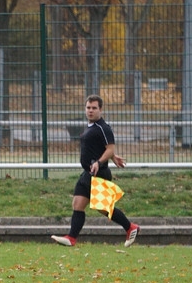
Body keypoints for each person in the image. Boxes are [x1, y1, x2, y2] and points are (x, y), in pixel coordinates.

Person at [52, 94, 140, 247]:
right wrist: (113, 157)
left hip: (99, 173)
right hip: (88, 173)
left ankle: (130, 227)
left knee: (103, 207)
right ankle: (71, 238)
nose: (90, 111)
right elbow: (103, 148)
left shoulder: (103, 127)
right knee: (78, 204)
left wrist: (101, 161)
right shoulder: (91, 126)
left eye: (94, 108)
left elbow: (110, 147)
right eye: (88, 108)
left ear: (101, 110)